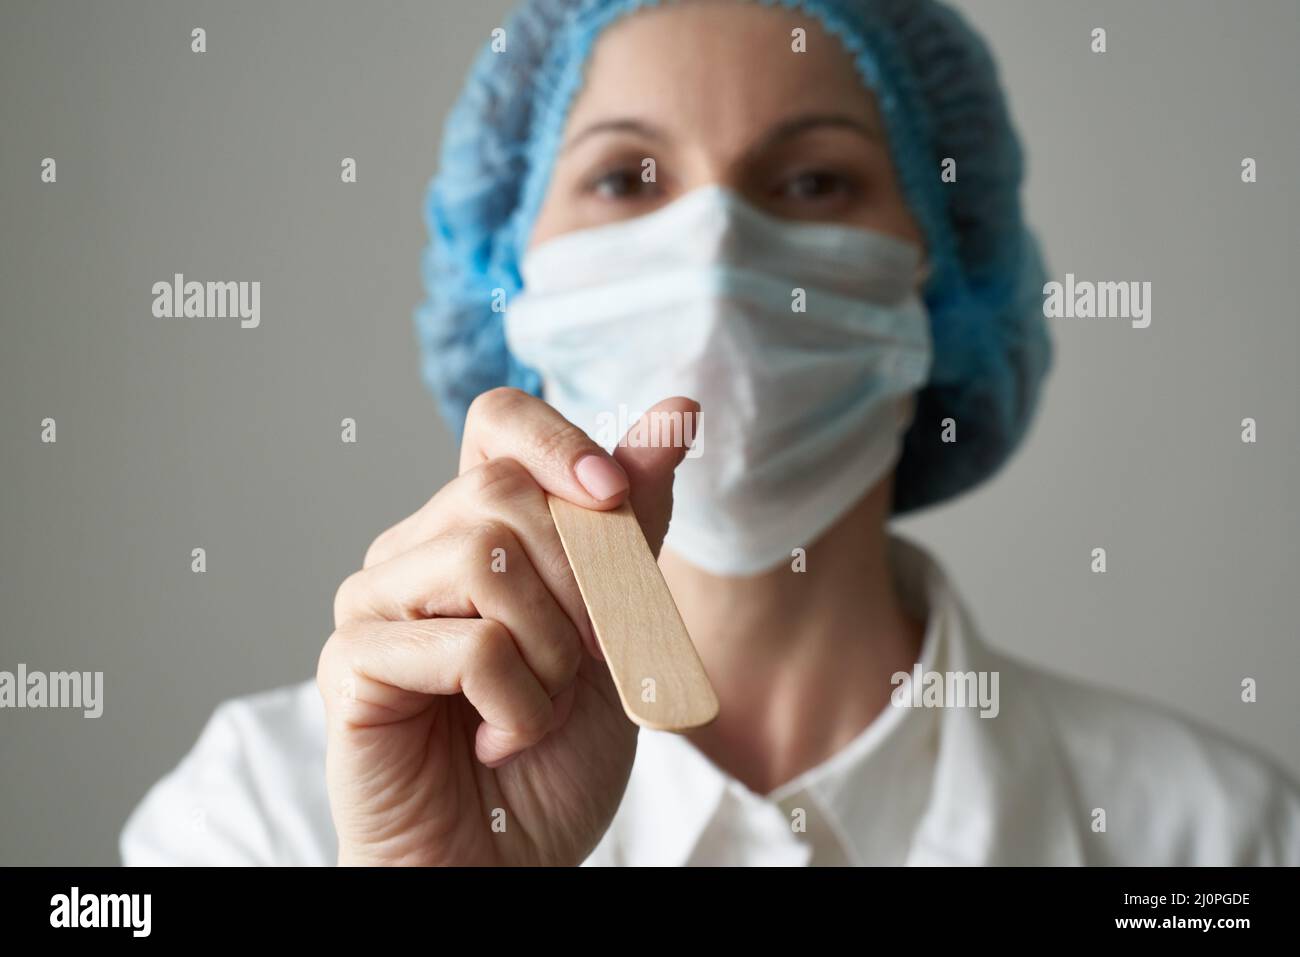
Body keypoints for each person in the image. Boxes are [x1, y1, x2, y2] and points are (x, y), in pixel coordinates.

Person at [121, 0, 1300, 866]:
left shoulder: (1212, 842)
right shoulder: (275, 811)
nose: (718, 251)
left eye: (813, 182)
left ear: (942, 278)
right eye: (628, 179)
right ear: (510, 278)